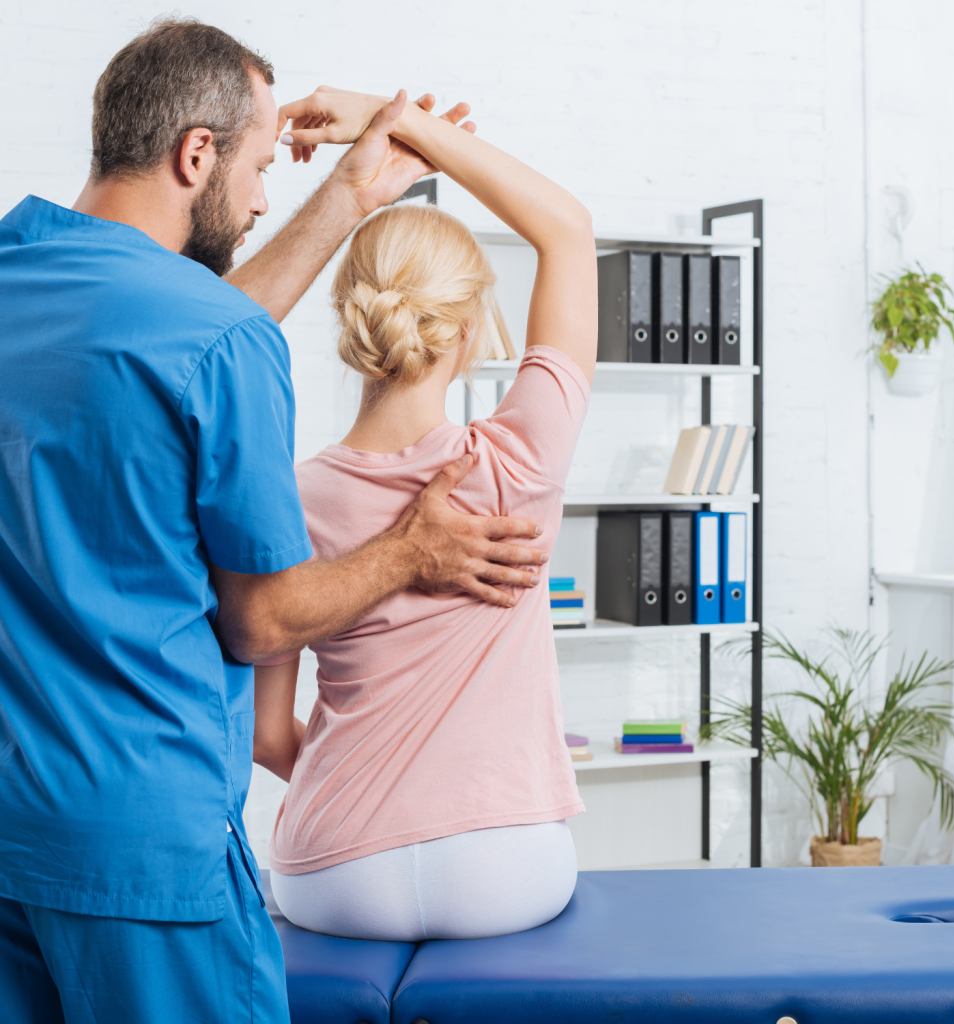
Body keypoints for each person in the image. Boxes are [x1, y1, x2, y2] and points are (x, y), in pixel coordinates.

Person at [0, 19, 549, 1024]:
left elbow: (165, 340)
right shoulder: (215, 341)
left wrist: (344, 198)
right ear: (194, 153)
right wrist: (412, 549)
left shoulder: (26, 283)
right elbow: (260, 621)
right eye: (258, 166)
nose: (261, 197)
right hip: (146, 849)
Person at [253, 85, 598, 941]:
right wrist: (397, 117)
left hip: (331, 870)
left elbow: (266, 736)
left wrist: (367, 805)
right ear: (473, 324)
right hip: (505, 866)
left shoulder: (282, 493)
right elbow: (567, 229)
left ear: (349, 316)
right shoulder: (518, 461)